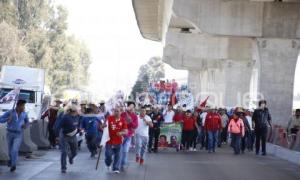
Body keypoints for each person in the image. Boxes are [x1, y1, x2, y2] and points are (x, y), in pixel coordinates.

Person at [0, 99, 29, 172]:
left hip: (18, 134)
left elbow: (27, 122)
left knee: (15, 150)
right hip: (10, 133)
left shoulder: (24, 114)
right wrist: (7, 119)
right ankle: (10, 160)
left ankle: (13, 165)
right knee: (10, 151)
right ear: (18, 106)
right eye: (23, 106)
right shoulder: (10, 112)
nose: (24, 107)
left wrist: (25, 125)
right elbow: (0, 119)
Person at [54, 104, 80, 173]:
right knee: (64, 152)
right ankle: (63, 167)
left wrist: (80, 130)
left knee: (75, 151)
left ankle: (71, 157)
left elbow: (79, 124)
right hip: (65, 136)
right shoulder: (65, 117)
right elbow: (58, 127)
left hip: (73, 136)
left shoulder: (77, 116)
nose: (76, 112)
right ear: (71, 111)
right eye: (75, 111)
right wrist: (57, 136)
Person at [105, 107, 128, 174]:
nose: (116, 112)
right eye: (115, 111)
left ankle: (116, 168)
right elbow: (103, 126)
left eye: (118, 111)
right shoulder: (109, 118)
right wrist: (103, 126)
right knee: (108, 155)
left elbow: (126, 131)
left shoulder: (123, 120)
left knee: (118, 155)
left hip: (119, 141)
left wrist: (121, 133)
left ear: (121, 112)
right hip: (109, 141)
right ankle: (108, 163)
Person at [120, 101, 138, 171]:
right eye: (130, 106)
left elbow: (135, 126)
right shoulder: (122, 114)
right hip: (121, 135)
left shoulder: (134, 116)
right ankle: (117, 163)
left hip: (128, 136)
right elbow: (119, 123)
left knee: (125, 151)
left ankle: (123, 164)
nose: (131, 108)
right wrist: (125, 121)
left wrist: (131, 121)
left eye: (133, 107)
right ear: (127, 107)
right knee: (119, 150)